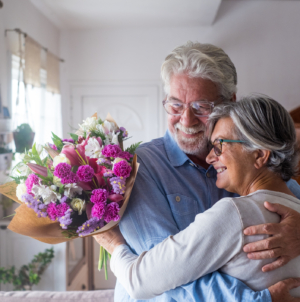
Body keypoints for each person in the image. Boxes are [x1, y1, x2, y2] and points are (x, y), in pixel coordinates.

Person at [96, 42, 300, 302]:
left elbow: (282, 193)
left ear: (229, 104)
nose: (186, 120)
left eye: (201, 108)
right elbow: (160, 279)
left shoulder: (250, 167)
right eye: (175, 106)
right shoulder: (142, 166)